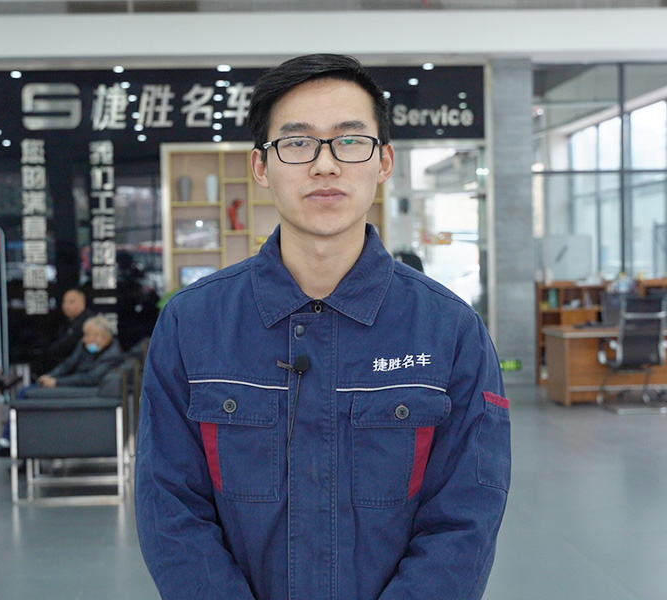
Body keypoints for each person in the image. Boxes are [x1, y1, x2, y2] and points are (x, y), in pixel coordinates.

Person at [135, 54, 511, 600]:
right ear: (261, 166)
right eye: (298, 142)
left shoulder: (451, 332)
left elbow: (467, 520)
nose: (326, 164)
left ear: (384, 161)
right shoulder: (191, 325)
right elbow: (169, 509)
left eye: (350, 141)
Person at [0, 314, 124, 457]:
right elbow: (68, 364)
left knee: (25, 393)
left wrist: (57, 382)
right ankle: (9, 441)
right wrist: (51, 376)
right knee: (27, 391)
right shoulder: (85, 346)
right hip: (69, 384)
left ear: (102, 337)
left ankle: (8, 442)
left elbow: (89, 379)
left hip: (77, 389)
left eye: (88, 335)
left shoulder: (112, 355)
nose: (84, 339)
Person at [33, 288, 95, 376]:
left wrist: (47, 352)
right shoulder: (66, 321)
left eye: (71, 302)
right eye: (64, 302)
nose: (66, 306)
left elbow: (65, 345)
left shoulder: (88, 321)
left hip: (82, 368)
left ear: (82, 303)